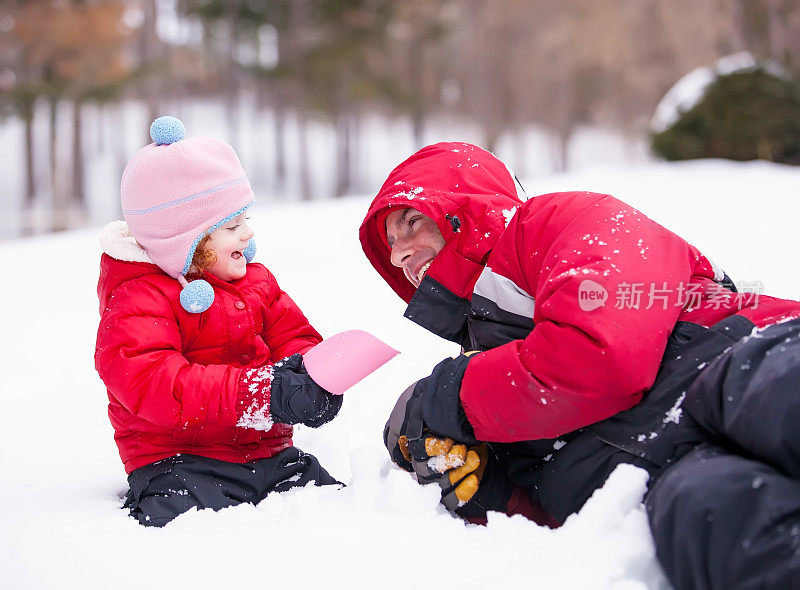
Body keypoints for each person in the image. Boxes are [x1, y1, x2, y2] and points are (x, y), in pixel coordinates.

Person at [359, 142, 800, 589]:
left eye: (412, 222)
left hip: (736, 356)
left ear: (464, 207)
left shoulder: (554, 224)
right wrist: (488, 489)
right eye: (392, 244)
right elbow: (562, 528)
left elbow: (601, 355)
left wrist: (447, 396)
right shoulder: (488, 377)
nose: (398, 254)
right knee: (716, 520)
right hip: (674, 478)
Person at [95, 116, 343, 527]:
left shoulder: (256, 281)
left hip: (269, 454)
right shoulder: (139, 297)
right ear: (185, 241)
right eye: (231, 226)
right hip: (181, 463)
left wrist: (313, 378)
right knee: (179, 520)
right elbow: (155, 382)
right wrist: (262, 395)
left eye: (245, 219)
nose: (247, 234)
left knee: (332, 503)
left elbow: (295, 337)